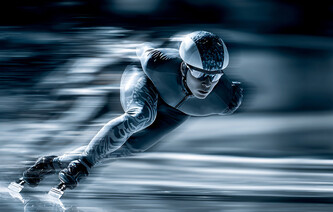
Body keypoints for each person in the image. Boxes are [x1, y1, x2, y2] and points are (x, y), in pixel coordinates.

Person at [9, 31, 243, 196]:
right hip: (147, 81)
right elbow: (138, 50)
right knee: (141, 115)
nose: (207, 83)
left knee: (133, 147)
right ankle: (83, 163)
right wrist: (86, 163)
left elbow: (223, 89)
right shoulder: (156, 62)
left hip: (177, 111)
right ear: (183, 66)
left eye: (215, 76)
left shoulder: (223, 101)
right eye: (201, 75)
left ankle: (51, 164)